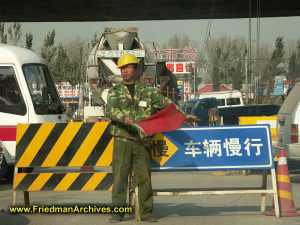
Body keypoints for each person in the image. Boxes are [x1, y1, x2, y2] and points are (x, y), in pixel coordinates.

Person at [106, 54, 195, 223]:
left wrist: (183, 116)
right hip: (122, 139)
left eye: (128, 67)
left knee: (144, 178)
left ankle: (146, 212)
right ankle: (118, 212)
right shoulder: (114, 92)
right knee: (119, 177)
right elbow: (110, 110)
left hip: (142, 141)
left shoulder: (147, 91)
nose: (125, 71)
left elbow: (167, 105)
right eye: (122, 68)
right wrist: (123, 117)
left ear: (136, 69)